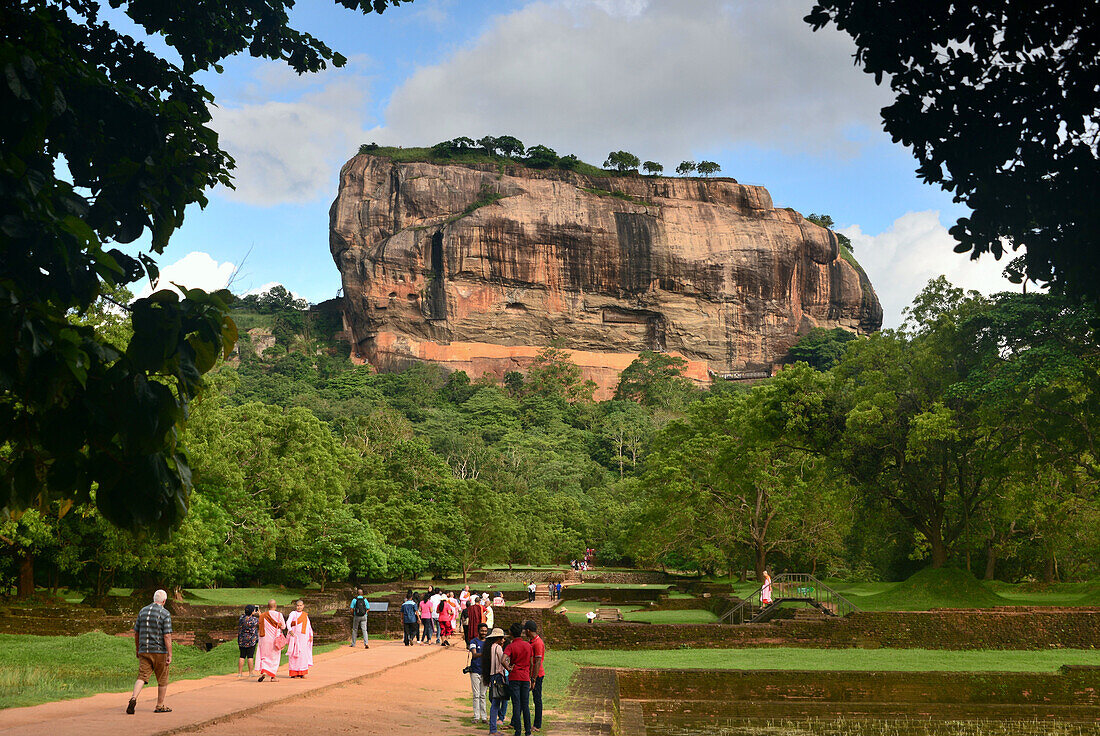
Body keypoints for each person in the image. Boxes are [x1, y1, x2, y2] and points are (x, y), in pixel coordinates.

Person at [126, 589, 172, 714]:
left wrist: (137, 649)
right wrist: (170, 654)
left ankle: (133, 698)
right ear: (164, 601)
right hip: (159, 651)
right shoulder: (165, 613)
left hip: (144, 650)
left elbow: (136, 633)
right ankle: (160, 705)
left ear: (153, 598)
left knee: (142, 676)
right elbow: (167, 635)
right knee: (162, 679)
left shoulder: (142, 611)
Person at [503, 622, 533, 736]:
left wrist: (509, 668)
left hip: (514, 676)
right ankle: (528, 731)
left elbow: (503, 659)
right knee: (525, 704)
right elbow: (531, 662)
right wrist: (530, 677)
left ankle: (518, 731)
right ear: (521, 632)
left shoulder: (511, 646)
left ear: (511, 632)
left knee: (516, 704)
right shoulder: (528, 645)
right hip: (525, 677)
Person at [483, 627, 508, 736]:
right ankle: (493, 729)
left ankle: (493, 728)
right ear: (499, 638)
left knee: (494, 702)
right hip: (498, 676)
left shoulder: (490, 647)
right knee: (496, 703)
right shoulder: (498, 648)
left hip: (492, 676)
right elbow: (503, 661)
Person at [256, 599, 286, 681]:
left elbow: (260, 624)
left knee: (265, 656)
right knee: (274, 657)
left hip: (265, 639)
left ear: (268, 606)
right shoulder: (279, 615)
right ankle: (273, 676)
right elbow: (283, 626)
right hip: (275, 639)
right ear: (275, 606)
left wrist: (260, 615)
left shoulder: (263, 615)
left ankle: (265, 671)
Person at [524, 620, 546, 733]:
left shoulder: (537, 643)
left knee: (537, 699)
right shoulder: (532, 641)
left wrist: (533, 678)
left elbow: (537, 662)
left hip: (537, 674)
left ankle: (537, 724)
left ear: (528, 630)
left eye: (525, 630)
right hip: (530, 673)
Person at [286, 599, 314, 678]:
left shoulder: (305, 615)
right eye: (298, 606)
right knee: (294, 654)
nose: (299, 607)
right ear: (295, 606)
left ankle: (302, 672)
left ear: (303, 606)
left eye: (300, 605)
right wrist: (290, 630)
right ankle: (294, 672)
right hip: (295, 637)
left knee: (303, 654)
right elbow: (288, 622)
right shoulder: (293, 613)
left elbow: (309, 626)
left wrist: (311, 635)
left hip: (304, 638)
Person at [468, 622, 489, 724]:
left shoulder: (488, 642)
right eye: (482, 631)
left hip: (485, 671)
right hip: (475, 670)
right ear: (478, 631)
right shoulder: (473, 641)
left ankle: (484, 717)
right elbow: (474, 654)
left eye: (485, 631)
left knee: (483, 695)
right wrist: (485, 654)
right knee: (476, 695)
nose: (484, 633)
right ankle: (476, 716)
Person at [237, 604, 259, 678]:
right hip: (251, 640)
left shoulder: (241, 618)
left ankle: (240, 673)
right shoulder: (254, 620)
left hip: (242, 639)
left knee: (242, 656)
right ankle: (250, 673)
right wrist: (259, 614)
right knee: (250, 656)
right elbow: (260, 622)